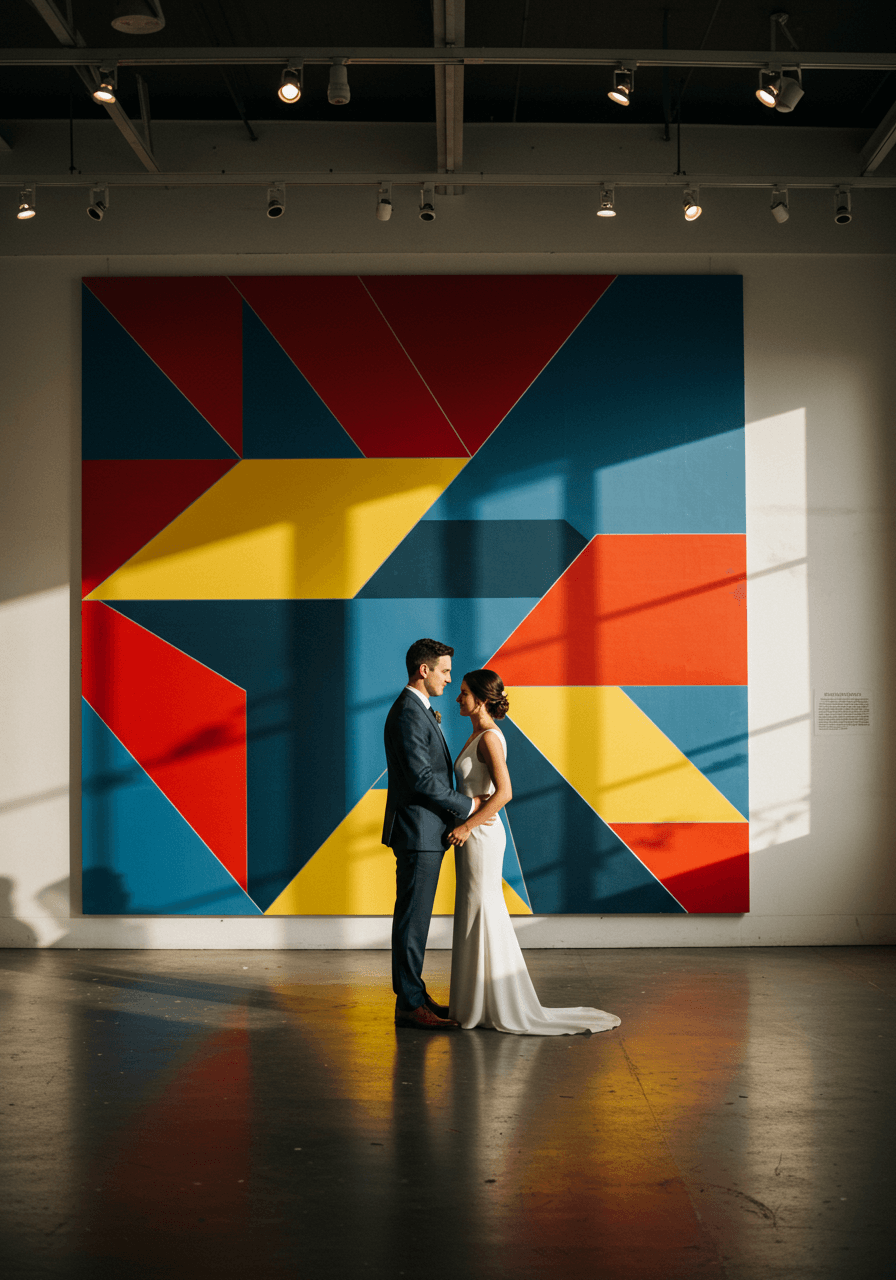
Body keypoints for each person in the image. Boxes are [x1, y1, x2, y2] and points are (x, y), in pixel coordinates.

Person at [447, 669, 621, 1036]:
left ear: (480, 699)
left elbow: (505, 792)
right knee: (474, 910)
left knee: (482, 910)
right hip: (475, 836)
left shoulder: (489, 739)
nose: (457, 698)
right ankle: (473, 1002)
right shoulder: (477, 734)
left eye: (463, 693)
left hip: (480, 837)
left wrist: (467, 826)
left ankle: (488, 1003)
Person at [383, 638, 490, 1030]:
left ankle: (415, 995)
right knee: (413, 921)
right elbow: (422, 780)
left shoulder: (418, 709)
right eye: (444, 671)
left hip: (426, 831)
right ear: (423, 670)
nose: (449, 679)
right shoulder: (409, 713)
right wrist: (470, 807)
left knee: (416, 920)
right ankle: (410, 1005)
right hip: (418, 832)